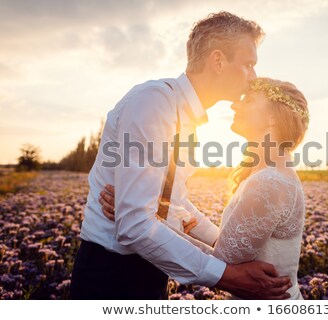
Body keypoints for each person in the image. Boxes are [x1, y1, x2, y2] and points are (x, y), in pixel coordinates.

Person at [69, 12, 293, 300]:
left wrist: (226, 248)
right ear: (218, 61)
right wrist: (226, 275)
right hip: (112, 274)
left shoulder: (187, 118)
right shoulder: (155, 102)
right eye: (248, 65)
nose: (253, 77)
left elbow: (174, 205)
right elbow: (135, 225)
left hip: (149, 266)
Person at [100, 77, 309, 299]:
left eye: (247, 101)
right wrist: (143, 205)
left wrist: (142, 215)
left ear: (272, 118)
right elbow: (231, 247)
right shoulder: (268, 172)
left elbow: (223, 264)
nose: (234, 105)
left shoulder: (270, 182)